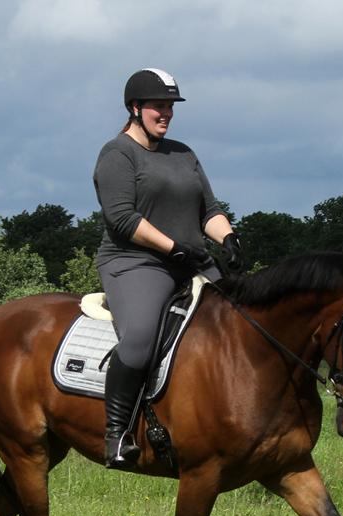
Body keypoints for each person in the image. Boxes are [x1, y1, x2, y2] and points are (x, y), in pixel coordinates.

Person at [93, 68, 243, 469]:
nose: (166, 114)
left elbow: (208, 210)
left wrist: (228, 238)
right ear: (135, 108)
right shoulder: (117, 154)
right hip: (137, 263)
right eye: (159, 106)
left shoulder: (183, 153)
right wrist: (175, 247)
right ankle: (117, 433)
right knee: (140, 337)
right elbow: (123, 218)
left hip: (191, 261)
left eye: (170, 107)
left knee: (243, 321)